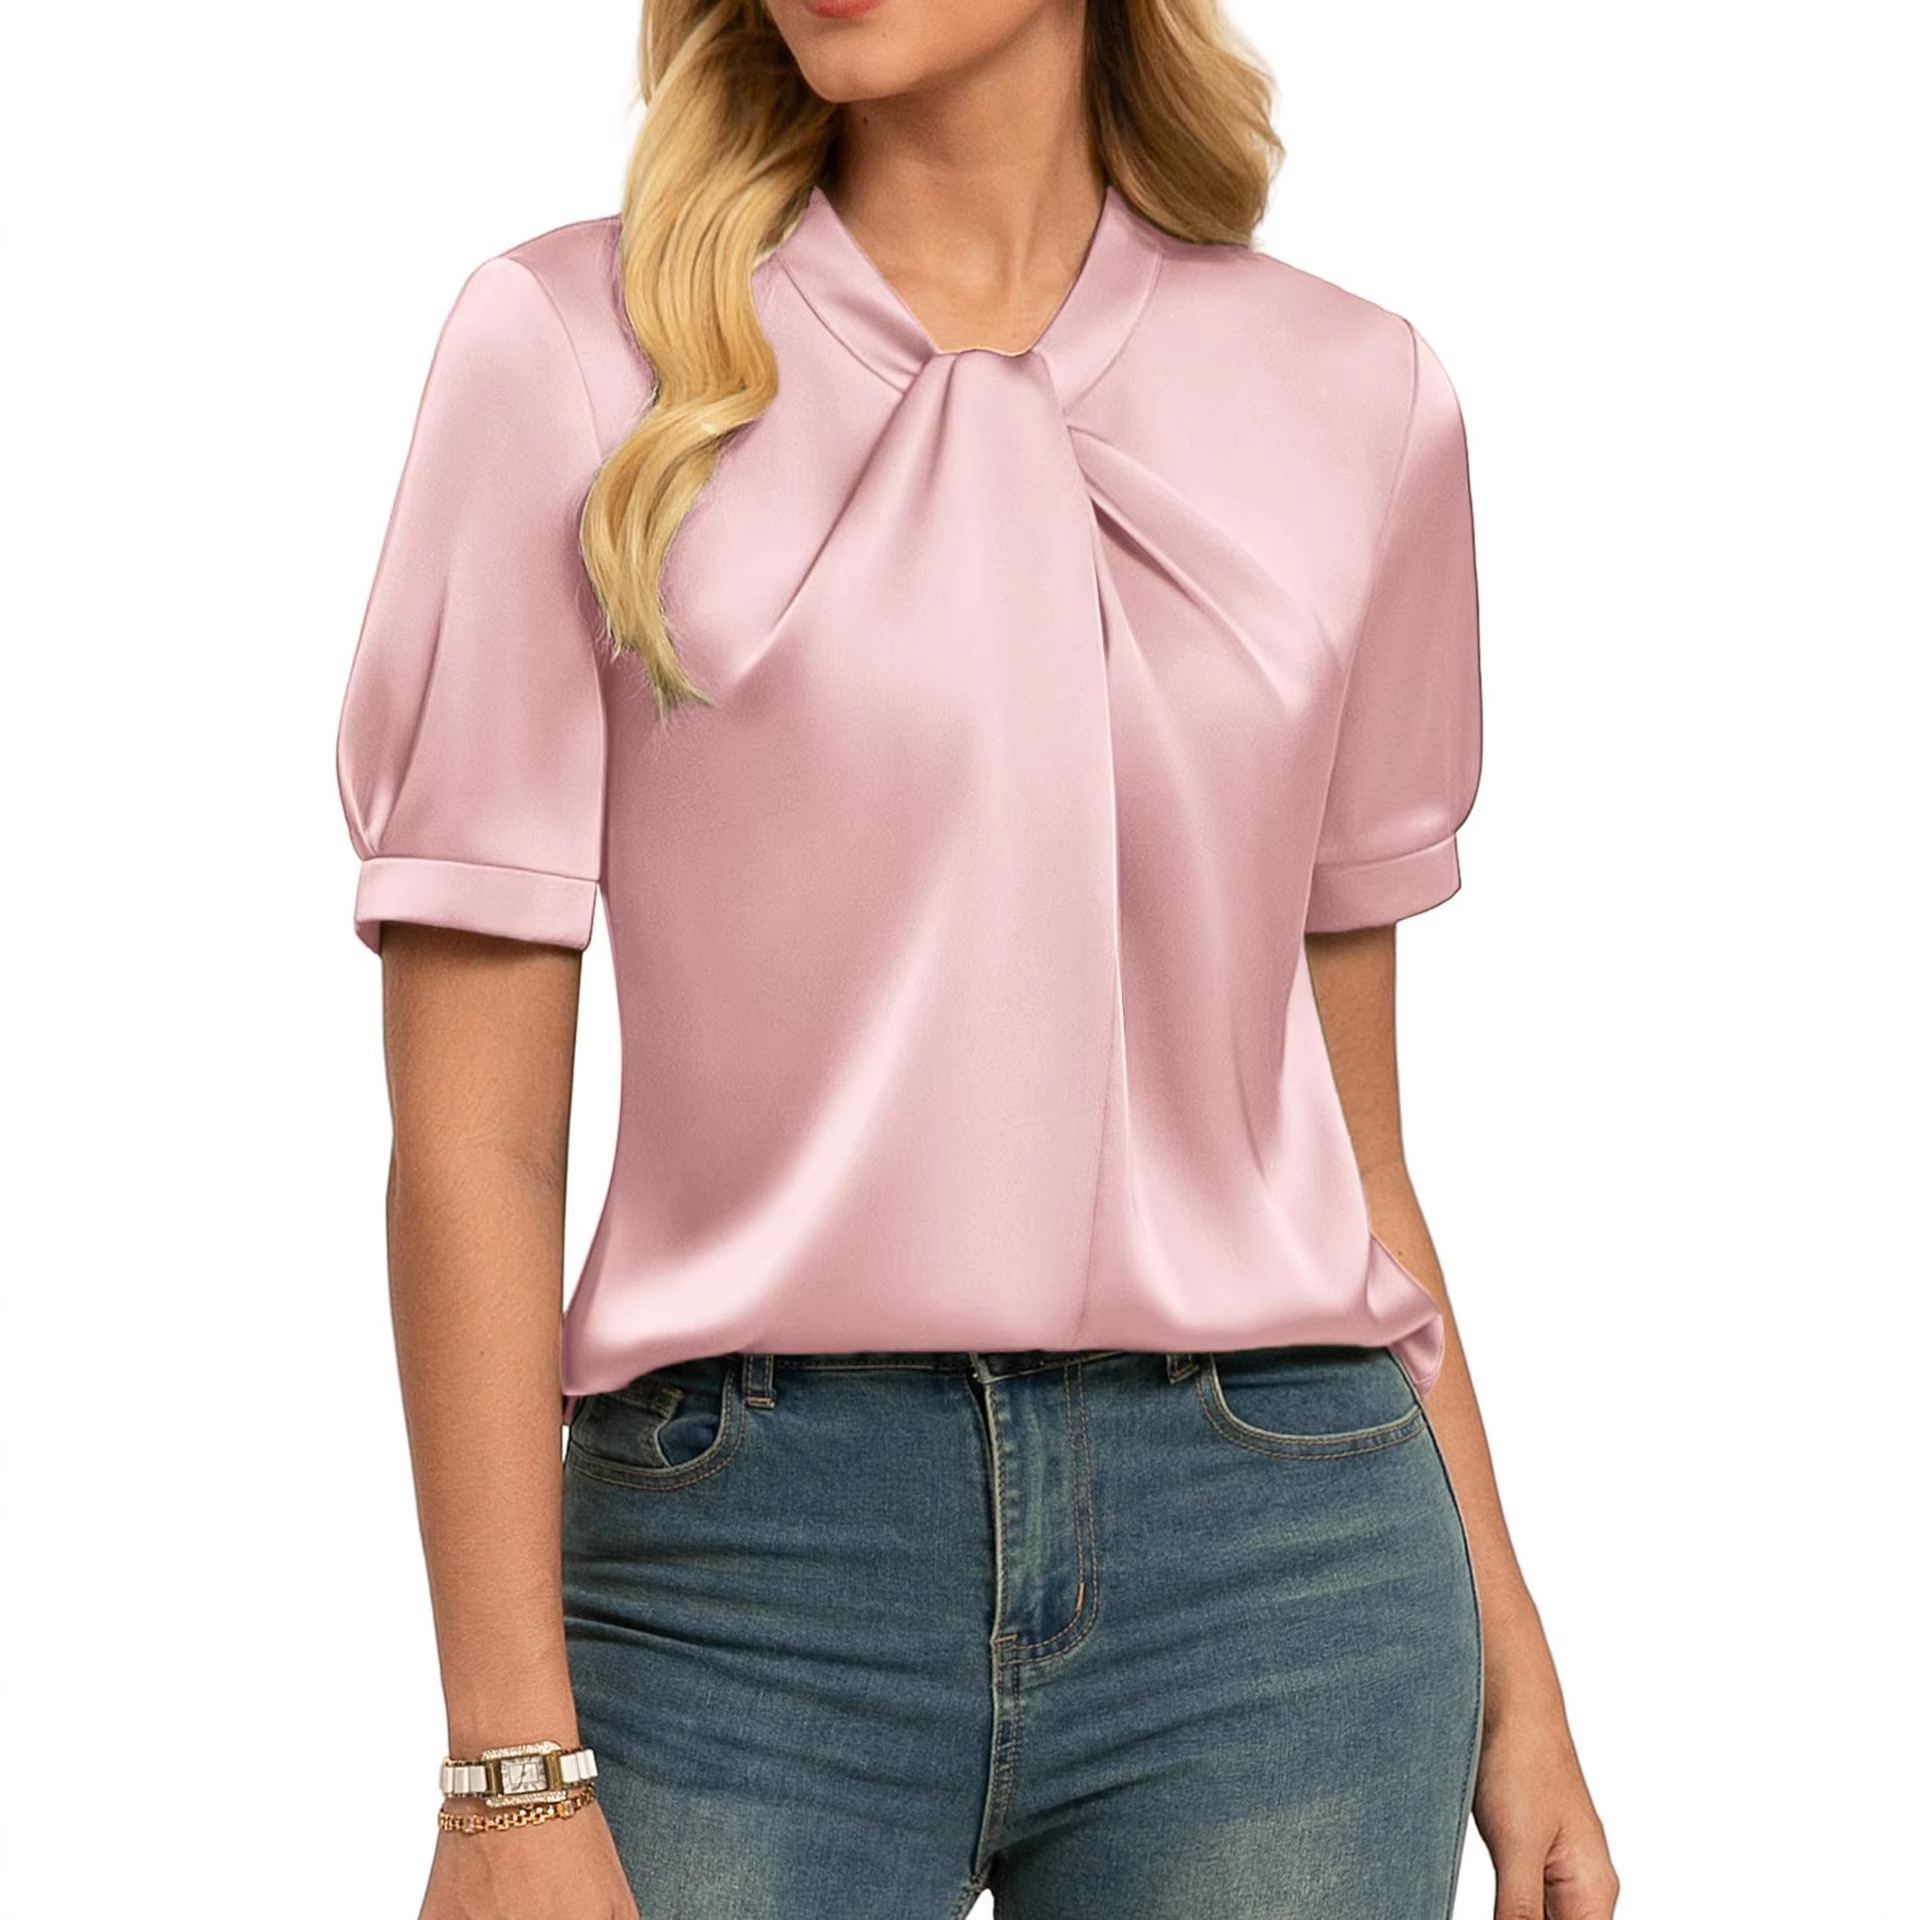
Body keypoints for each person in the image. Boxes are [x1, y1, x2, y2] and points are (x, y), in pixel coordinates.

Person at [334, 2, 1620, 1915]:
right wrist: (506, 1769)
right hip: (738, 1583)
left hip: (1288, 1583)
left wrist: (1518, 1661)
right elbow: (476, 1143)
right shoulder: (570, 352)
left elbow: (1351, 1142)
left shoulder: (1362, 399)